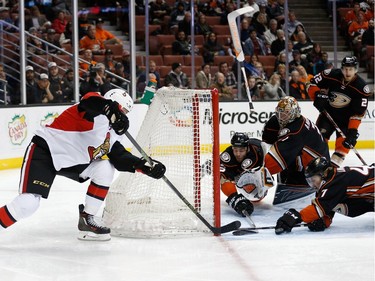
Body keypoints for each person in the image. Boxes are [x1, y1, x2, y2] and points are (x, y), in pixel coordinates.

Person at [0, 89, 166, 241]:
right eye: (123, 110)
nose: (124, 115)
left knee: (105, 168)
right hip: (46, 153)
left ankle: (87, 218)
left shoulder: (112, 131)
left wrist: (144, 166)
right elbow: (90, 100)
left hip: (73, 163)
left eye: (126, 113)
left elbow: (119, 156)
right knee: (28, 204)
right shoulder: (91, 111)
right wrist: (110, 109)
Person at [275, 157, 374, 235]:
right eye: (309, 181)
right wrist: (323, 220)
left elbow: (320, 208)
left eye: (313, 180)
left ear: (324, 174)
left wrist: (297, 217)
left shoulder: (335, 182)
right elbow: (328, 206)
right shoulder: (332, 180)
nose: (312, 184)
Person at [308, 56, 370, 167]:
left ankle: (333, 170)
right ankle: (318, 168)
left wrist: (352, 131)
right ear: (341, 68)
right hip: (328, 115)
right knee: (319, 142)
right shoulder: (331, 75)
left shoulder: (361, 87)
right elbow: (311, 84)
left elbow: (358, 113)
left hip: (346, 120)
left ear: (356, 70)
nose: (347, 72)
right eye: (346, 68)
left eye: (350, 69)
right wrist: (316, 96)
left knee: (343, 146)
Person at [262, 96, 330, 186]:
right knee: (285, 158)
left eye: (286, 113)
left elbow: (274, 162)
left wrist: (260, 174)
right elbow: (267, 143)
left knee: (283, 158)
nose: (281, 117)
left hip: (316, 169)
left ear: (294, 113)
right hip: (309, 161)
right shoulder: (277, 122)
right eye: (279, 113)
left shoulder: (296, 129)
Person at [220, 133, 265, 217]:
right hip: (238, 172)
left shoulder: (255, 156)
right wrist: (235, 200)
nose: (238, 154)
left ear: (247, 149)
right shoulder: (227, 155)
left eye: (241, 151)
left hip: (254, 174)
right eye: (235, 150)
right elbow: (220, 174)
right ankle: (235, 197)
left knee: (256, 198)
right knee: (223, 178)